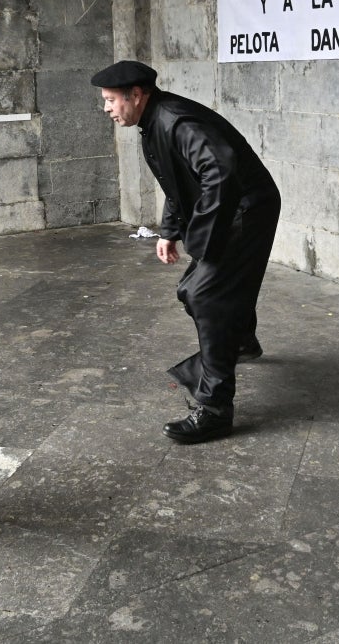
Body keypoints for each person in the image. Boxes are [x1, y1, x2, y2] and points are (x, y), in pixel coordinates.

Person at [91, 60, 280, 444]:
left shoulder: (177, 121)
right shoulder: (154, 122)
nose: (107, 108)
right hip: (236, 208)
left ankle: (214, 409)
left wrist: (202, 241)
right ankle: (240, 339)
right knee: (201, 288)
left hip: (248, 208)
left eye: (111, 100)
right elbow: (180, 183)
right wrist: (170, 232)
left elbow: (219, 170)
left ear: (137, 95)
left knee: (202, 293)